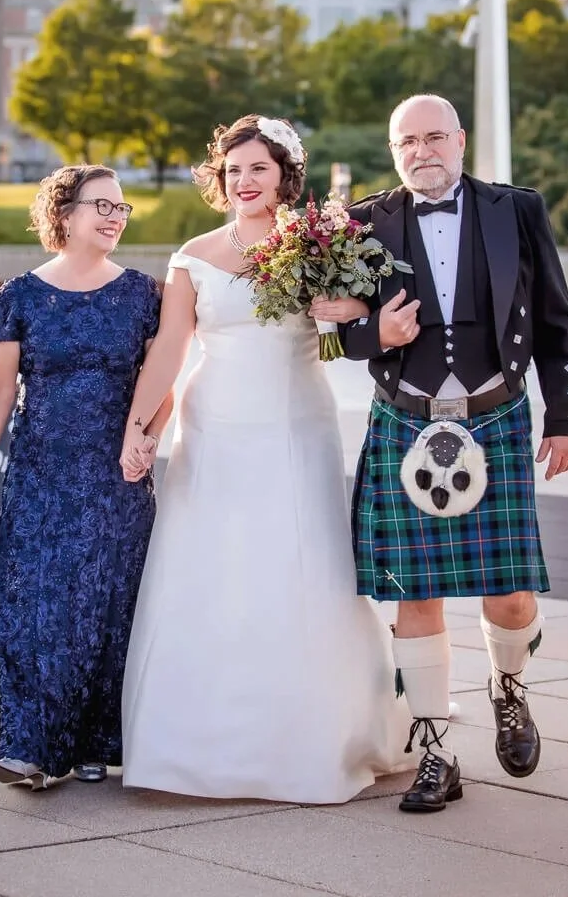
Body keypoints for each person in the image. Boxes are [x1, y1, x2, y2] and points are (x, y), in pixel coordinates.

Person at [117, 114, 411, 805]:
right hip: (212, 424)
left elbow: (351, 311)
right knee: (209, 566)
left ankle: (315, 737)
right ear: (219, 180)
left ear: (284, 177)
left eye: (258, 169)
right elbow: (170, 349)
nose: (244, 181)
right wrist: (141, 428)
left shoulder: (318, 244)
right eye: (233, 170)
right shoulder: (193, 254)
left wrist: (322, 294)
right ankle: (192, 744)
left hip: (296, 424)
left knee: (300, 564)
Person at [311, 94, 568, 813]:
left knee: (509, 592)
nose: (423, 150)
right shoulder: (361, 222)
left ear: (461, 140)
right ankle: (435, 752)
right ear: (393, 147)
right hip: (405, 418)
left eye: (436, 136)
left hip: (495, 413)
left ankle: (509, 688)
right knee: (414, 594)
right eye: (409, 140)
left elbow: (556, 317)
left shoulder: (515, 209)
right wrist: (380, 338)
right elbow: (326, 336)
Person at [0, 165, 171, 790]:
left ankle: (93, 743)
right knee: (34, 609)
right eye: (100, 204)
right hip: (39, 474)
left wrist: (148, 442)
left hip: (116, 478)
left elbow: (164, 387)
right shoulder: (19, 296)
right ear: (64, 212)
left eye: (121, 207)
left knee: (106, 608)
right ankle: (28, 749)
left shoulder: (143, 294)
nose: (113, 216)